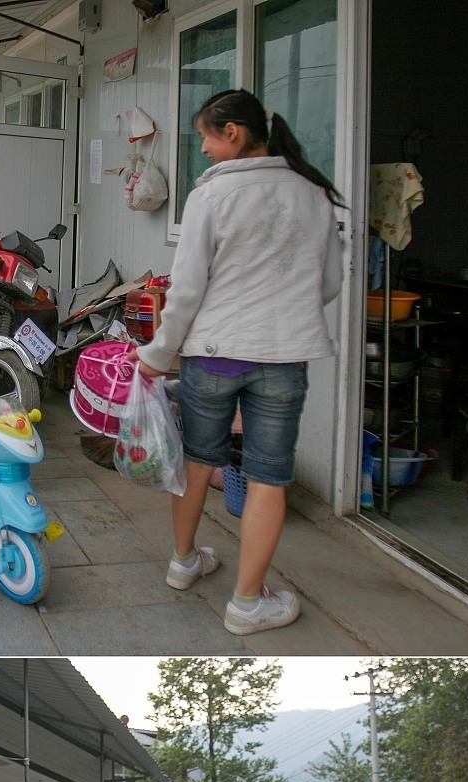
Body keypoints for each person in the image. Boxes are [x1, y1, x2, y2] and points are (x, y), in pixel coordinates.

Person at [132, 88, 343, 636]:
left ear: (234, 133)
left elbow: (186, 292)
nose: (201, 148)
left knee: (198, 461)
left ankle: (184, 563)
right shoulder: (313, 193)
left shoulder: (210, 197)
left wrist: (158, 355)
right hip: (283, 355)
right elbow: (327, 284)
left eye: (205, 135)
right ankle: (248, 604)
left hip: (212, 354)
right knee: (268, 477)